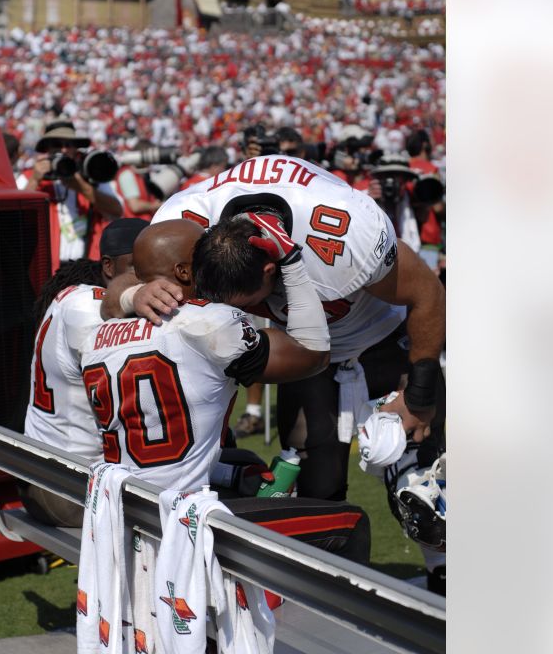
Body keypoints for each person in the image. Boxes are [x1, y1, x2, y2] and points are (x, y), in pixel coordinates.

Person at [105, 154, 445, 588]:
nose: (234, 314)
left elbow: (429, 294)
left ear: (270, 270)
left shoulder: (344, 231)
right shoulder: (183, 222)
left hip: (379, 335)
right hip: (302, 351)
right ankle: (332, 594)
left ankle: (443, 574)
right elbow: (112, 288)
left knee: (421, 488)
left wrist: (419, 394)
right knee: (314, 483)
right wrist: (136, 292)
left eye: (246, 303)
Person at [83, 217, 371, 563]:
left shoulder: (97, 336)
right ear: (185, 272)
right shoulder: (208, 322)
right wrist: (292, 264)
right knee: (351, 524)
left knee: (245, 463)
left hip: (124, 506)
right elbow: (313, 354)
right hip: (180, 518)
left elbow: (112, 303)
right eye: (204, 254)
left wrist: (129, 294)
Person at [20, 218, 149, 527]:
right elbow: (131, 409)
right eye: (136, 267)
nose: (147, 277)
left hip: (48, 474)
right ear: (108, 266)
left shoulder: (73, 296)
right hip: (67, 486)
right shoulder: (89, 306)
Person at [19, 120, 124, 262]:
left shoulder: (91, 175)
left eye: (69, 145)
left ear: (76, 149)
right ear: (47, 149)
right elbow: (15, 218)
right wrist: (34, 180)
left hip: (87, 264)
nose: (63, 150)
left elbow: (116, 211)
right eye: (57, 145)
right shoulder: (30, 176)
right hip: (48, 265)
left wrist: (82, 187)